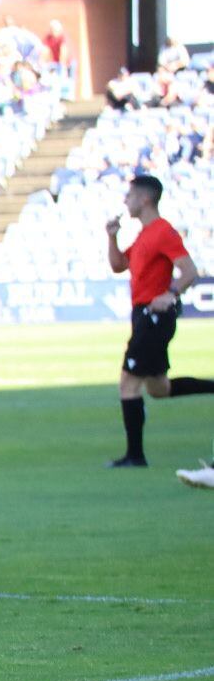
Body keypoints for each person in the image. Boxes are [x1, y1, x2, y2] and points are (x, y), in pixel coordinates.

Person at [104, 175, 212, 467]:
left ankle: (135, 456)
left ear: (145, 199)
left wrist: (171, 293)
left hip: (155, 316)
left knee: (128, 383)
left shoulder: (163, 231)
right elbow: (118, 266)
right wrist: (112, 236)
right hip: (143, 316)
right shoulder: (143, 235)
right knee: (158, 388)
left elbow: (188, 271)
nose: (126, 201)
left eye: (130, 196)